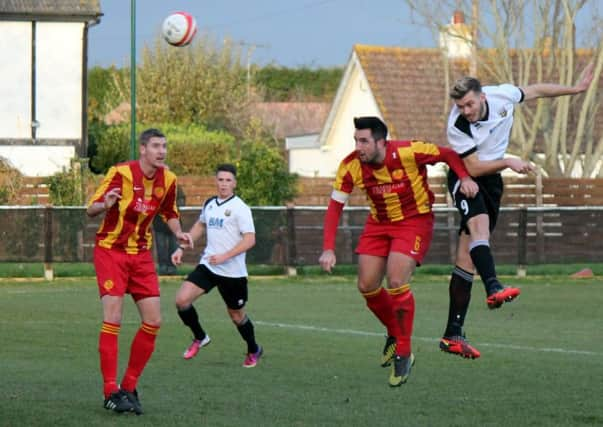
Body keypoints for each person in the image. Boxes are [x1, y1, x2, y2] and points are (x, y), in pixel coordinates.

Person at [440, 63, 595, 359]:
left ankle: (452, 335)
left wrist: (574, 89)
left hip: (492, 181)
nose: (466, 111)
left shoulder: (502, 96)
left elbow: (536, 90)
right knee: (479, 230)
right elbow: (472, 166)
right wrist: (509, 161)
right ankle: (493, 286)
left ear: (483, 96)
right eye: (461, 106)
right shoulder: (457, 125)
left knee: (466, 257)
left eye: (470, 104)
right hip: (467, 178)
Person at [318, 116, 478, 387]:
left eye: (364, 141)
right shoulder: (350, 166)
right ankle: (395, 331)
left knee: (395, 281)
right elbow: (335, 207)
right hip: (378, 223)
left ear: (382, 141)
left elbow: (448, 154)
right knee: (366, 285)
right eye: (356, 140)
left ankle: (403, 352)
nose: (359, 146)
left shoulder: (408, 151)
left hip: (414, 221)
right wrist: (328, 248)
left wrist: (464, 177)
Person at [86, 128, 192, 415]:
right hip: (111, 251)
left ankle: (129, 386)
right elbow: (90, 208)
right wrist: (104, 205)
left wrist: (179, 233)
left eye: (165, 146)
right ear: (143, 148)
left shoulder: (168, 179)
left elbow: (169, 212)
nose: (162, 151)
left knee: (154, 321)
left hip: (142, 256)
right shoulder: (120, 173)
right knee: (114, 317)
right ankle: (110, 391)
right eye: (156, 146)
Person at [171, 163, 262, 368]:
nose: (223, 184)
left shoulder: (241, 208)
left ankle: (253, 349)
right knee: (181, 300)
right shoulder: (210, 203)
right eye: (220, 180)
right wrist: (181, 248)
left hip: (233, 273)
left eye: (228, 180)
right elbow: (200, 225)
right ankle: (200, 337)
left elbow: (250, 240)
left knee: (236, 316)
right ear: (216, 181)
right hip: (209, 266)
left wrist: (225, 256)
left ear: (234, 183)